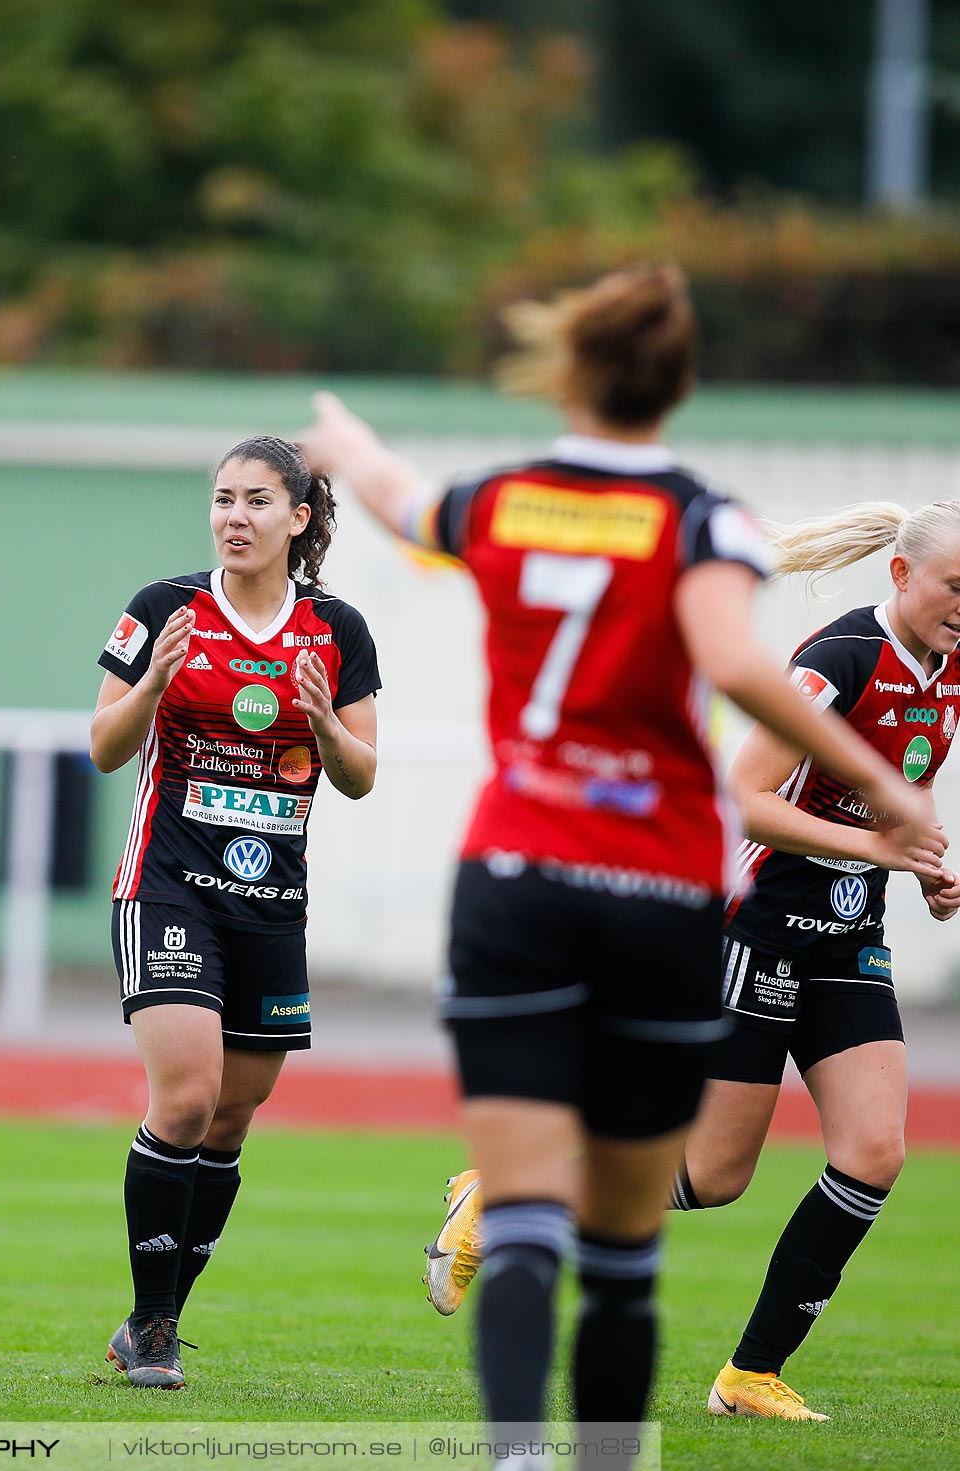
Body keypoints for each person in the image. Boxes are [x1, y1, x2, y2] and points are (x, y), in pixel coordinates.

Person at [296, 263, 942, 1462]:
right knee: (633, 1238)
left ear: (570, 371)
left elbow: (399, 498)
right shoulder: (705, 520)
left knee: (540, 1194)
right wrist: (897, 804)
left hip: (518, 880)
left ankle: (522, 1448)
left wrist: (346, 439)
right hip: (660, 889)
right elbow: (740, 670)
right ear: (682, 384)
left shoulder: (504, 498)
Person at [90, 435, 381, 1388]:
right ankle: (151, 1324)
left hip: (269, 899)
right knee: (185, 1096)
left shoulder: (338, 630)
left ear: (299, 518)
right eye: (223, 499)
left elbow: (360, 778)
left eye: (258, 500)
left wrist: (328, 722)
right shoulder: (162, 609)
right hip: (167, 884)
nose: (235, 517)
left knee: (231, 1119)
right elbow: (102, 745)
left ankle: (159, 1318)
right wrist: (155, 684)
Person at [681, 502, 960, 1419]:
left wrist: (921, 868)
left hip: (849, 931)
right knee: (715, 1178)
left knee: (875, 1152)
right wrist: (886, 848)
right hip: (760, 922)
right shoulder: (837, 657)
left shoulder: (949, 672)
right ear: (902, 577)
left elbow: (894, 792)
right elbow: (748, 798)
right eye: (956, 586)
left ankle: (749, 1374)